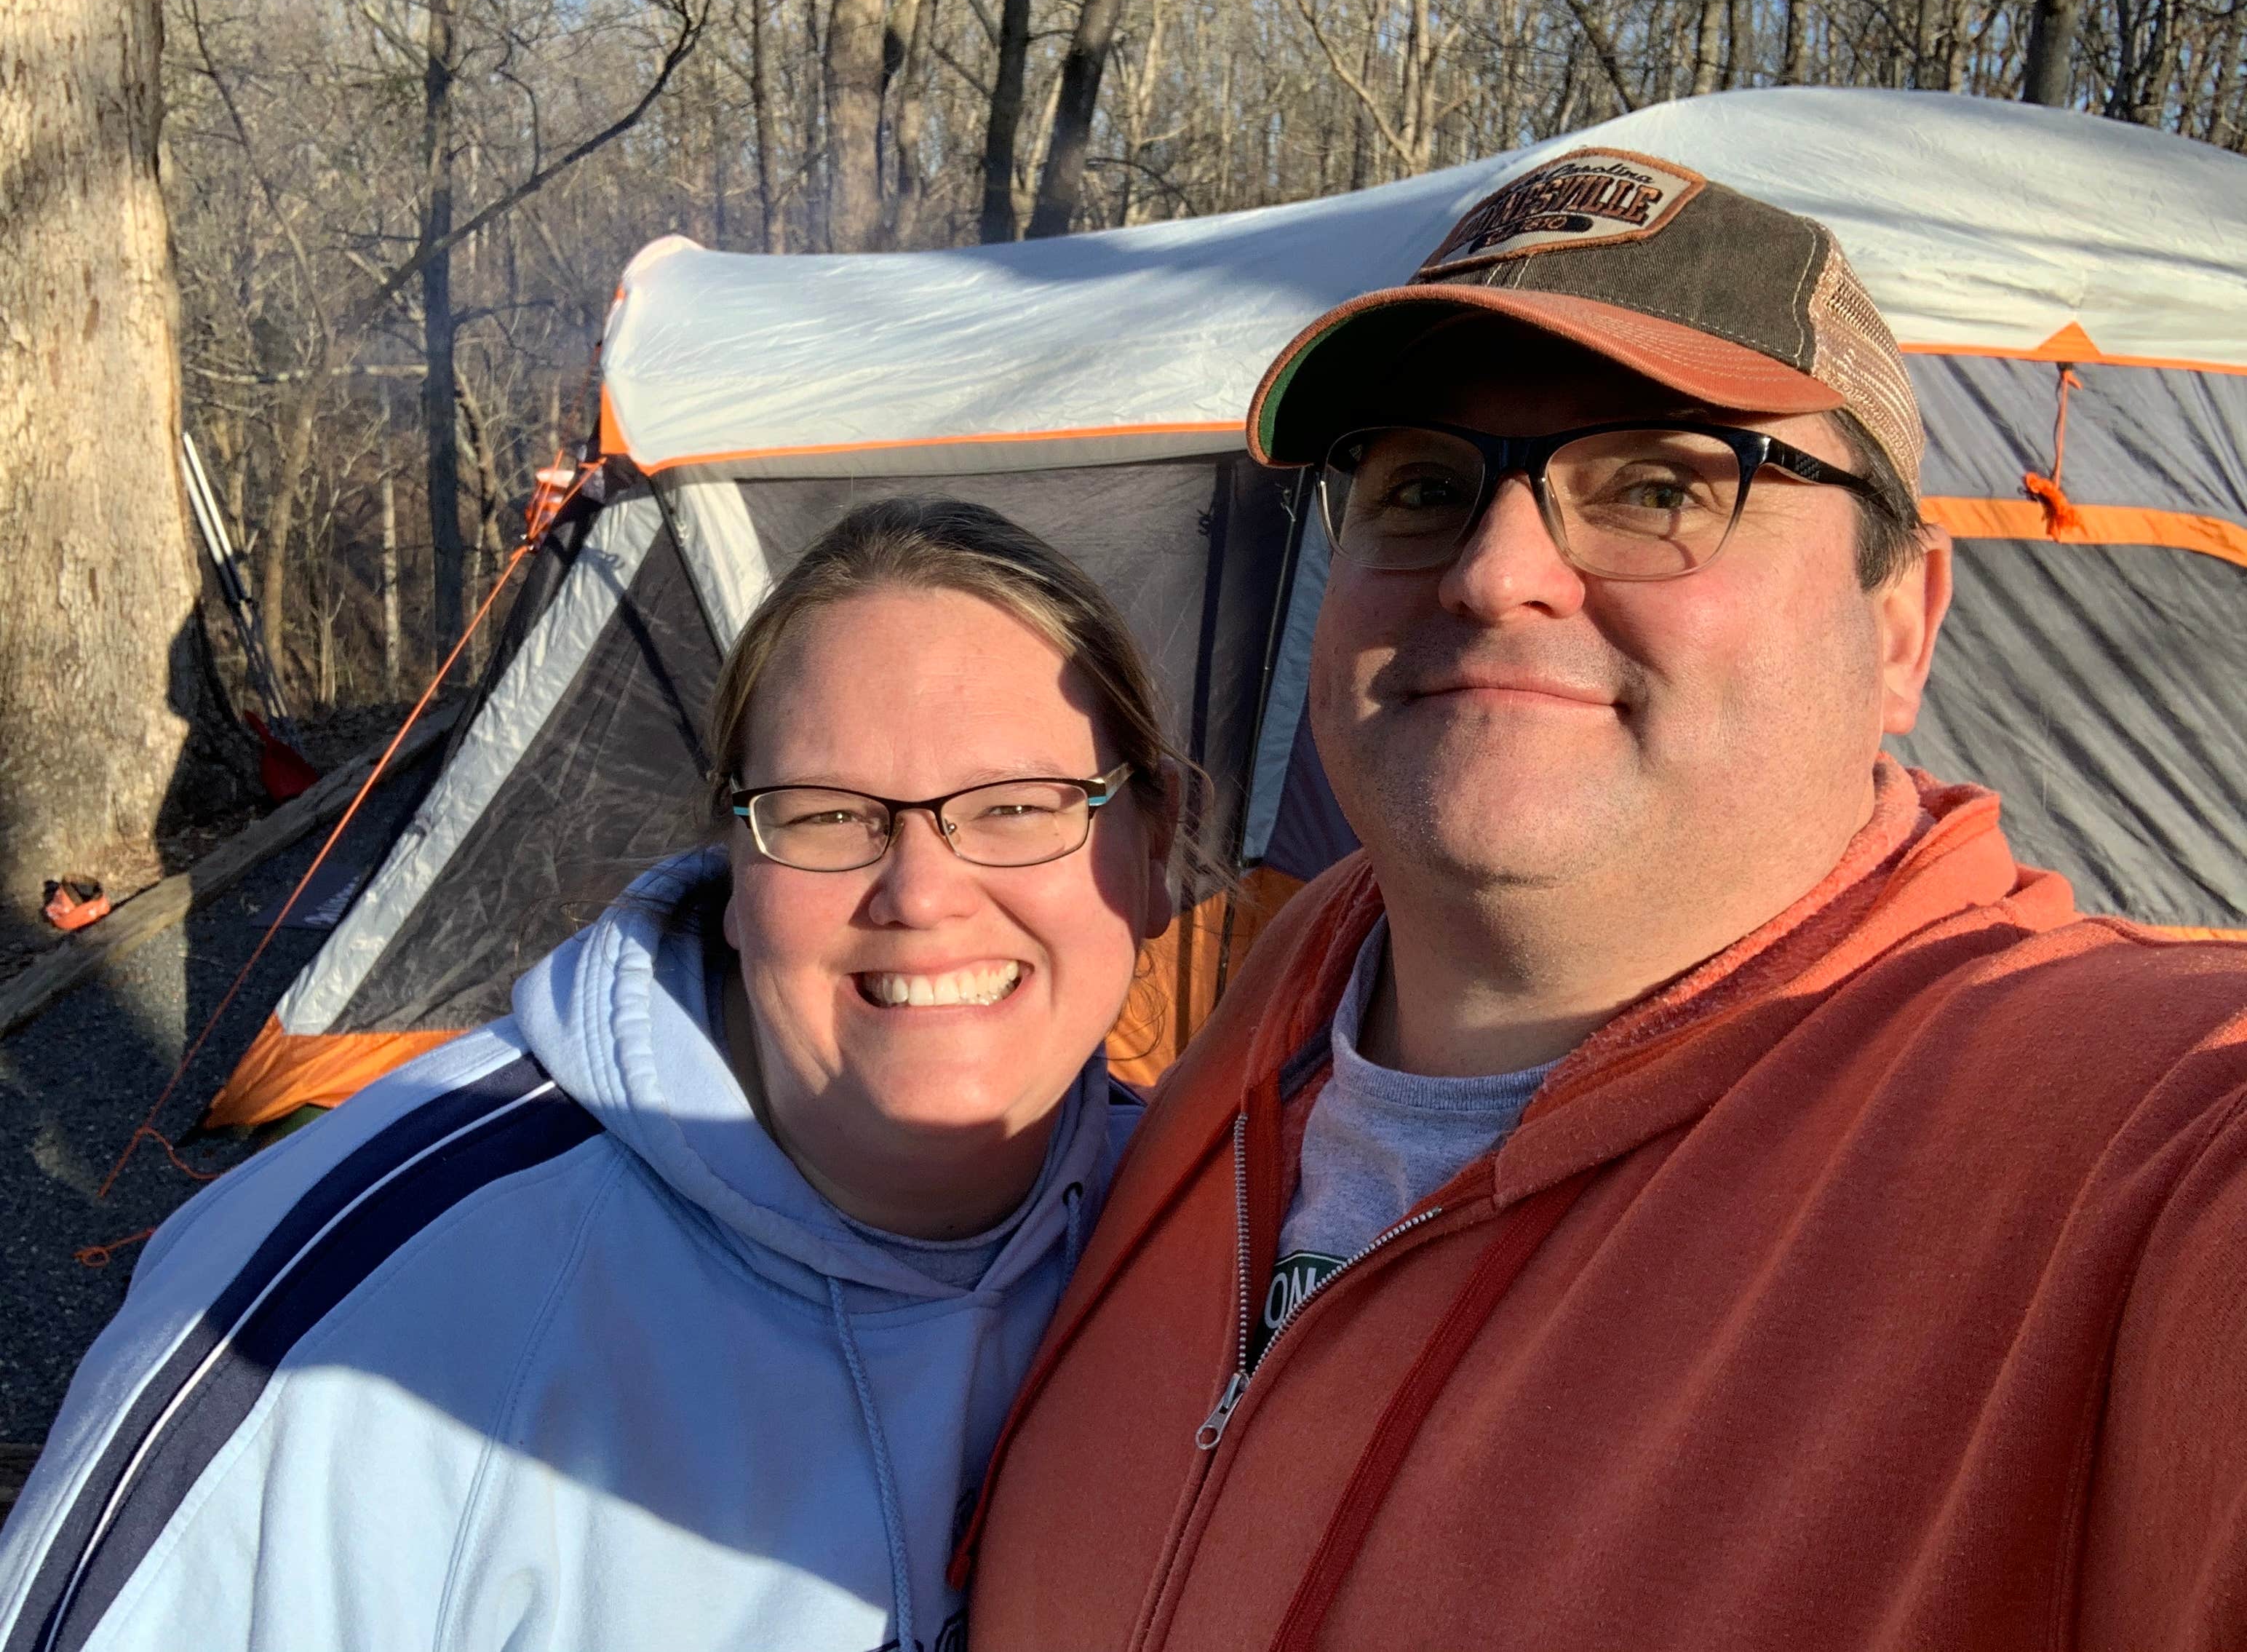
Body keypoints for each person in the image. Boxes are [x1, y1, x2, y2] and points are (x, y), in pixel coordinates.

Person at [958, 148, 2247, 1650]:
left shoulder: (2111, 1147)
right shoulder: (1286, 973)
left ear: (1897, 626)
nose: (1496, 572)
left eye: (1653, 485)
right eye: (1423, 488)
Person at [0, 498, 1179, 1652]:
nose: (921, 894)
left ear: (1156, 855)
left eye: (1021, 806)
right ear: (736, 871)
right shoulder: (342, 1326)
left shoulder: (1218, 1250)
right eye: (826, 815)